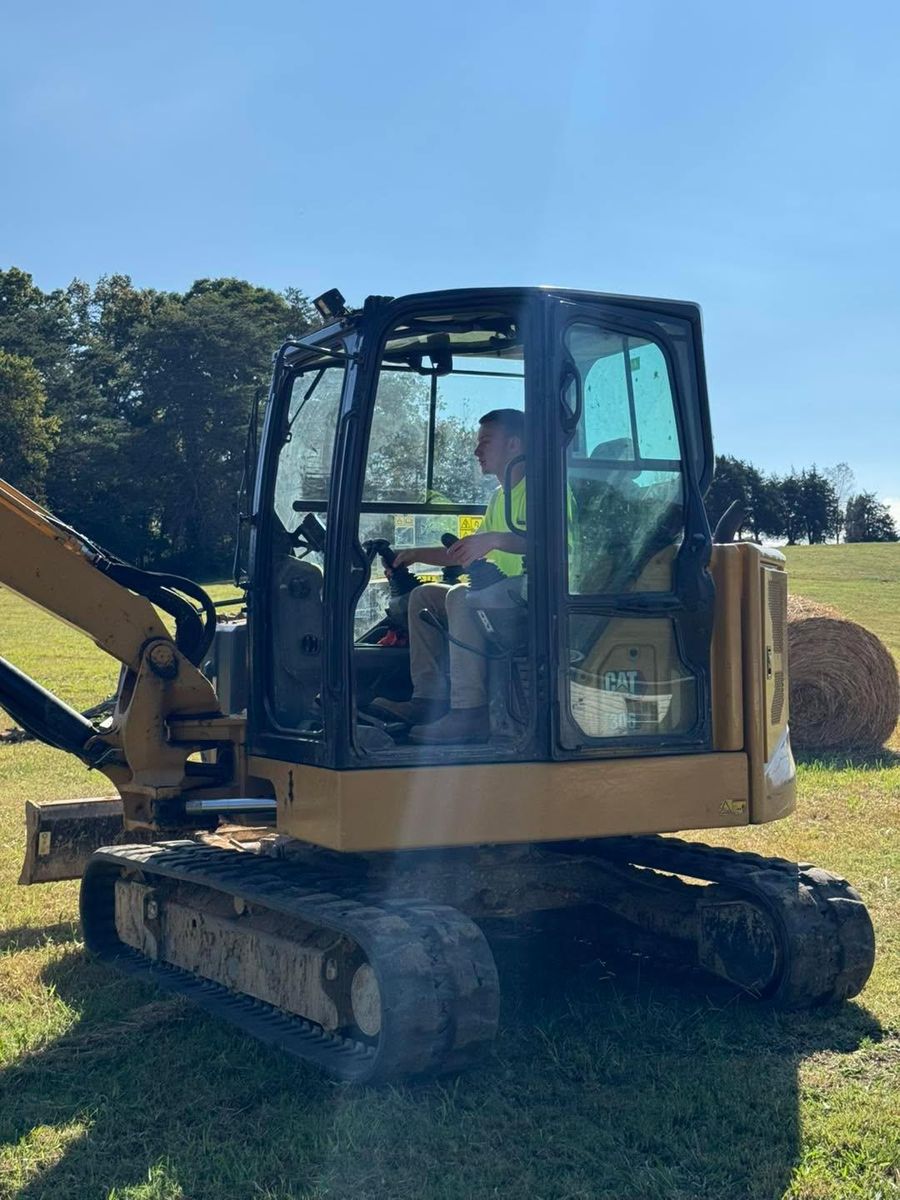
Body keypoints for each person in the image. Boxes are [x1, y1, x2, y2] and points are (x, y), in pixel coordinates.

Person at [371, 408, 526, 744]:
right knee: (424, 597)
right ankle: (427, 701)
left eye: (486, 442)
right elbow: (467, 550)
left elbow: (552, 545)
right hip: (497, 593)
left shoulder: (543, 492)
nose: (476, 451)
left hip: (533, 596)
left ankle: (470, 713)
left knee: (459, 596)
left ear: (513, 445)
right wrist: (412, 554)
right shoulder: (500, 497)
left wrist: (496, 540)